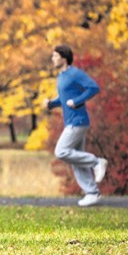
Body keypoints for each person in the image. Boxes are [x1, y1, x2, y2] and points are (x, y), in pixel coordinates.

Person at [43, 44, 108, 207]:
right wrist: (51, 104)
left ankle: (96, 162)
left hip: (77, 122)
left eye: (55, 56)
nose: (52, 59)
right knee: (76, 158)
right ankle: (92, 193)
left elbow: (94, 88)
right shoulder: (62, 76)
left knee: (61, 151)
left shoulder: (75, 73)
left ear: (64, 58)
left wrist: (77, 101)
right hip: (72, 121)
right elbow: (65, 98)